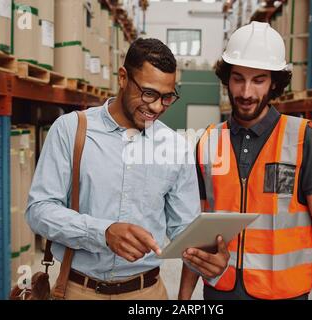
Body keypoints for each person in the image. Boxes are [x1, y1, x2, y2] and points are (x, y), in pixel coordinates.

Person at [26, 38, 229, 300]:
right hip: (78, 290)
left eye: (167, 97)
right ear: (123, 77)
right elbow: (39, 211)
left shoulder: (176, 148)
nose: (157, 107)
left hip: (147, 293)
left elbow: (184, 229)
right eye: (148, 93)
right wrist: (103, 233)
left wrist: (208, 258)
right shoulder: (71, 130)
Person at [178, 22, 312, 300]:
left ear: (274, 83)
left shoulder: (304, 139)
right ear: (226, 79)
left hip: (284, 294)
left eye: (258, 80)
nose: (245, 92)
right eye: (238, 78)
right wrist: (183, 299)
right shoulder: (208, 142)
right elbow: (199, 230)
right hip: (220, 293)